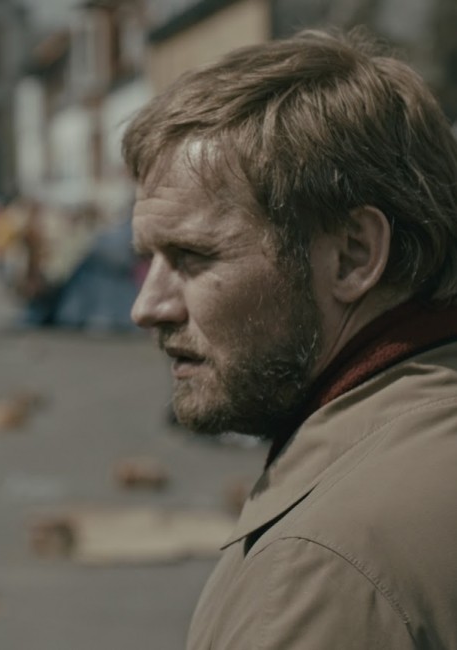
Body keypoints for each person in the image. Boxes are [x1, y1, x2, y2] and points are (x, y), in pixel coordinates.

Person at [123, 29, 457, 649]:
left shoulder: (323, 566)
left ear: (353, 255)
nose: (148, 307)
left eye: (193, 256)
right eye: (149, 261)